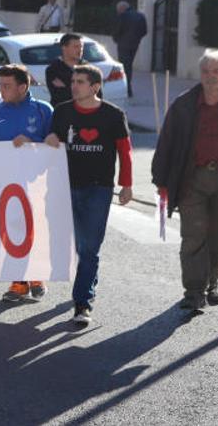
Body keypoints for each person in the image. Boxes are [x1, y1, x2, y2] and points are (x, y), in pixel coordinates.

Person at [152, 49, 218, 311]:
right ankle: (194, 292)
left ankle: (212, 282)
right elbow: (167, 143)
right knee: (194, 235)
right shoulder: (184, 104)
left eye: (216, 71)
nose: (210, 76)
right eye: (206, 71)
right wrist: (160, 178)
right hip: (191, 178)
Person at [45, 65, 133, 325]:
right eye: (73, 81)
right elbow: (53, 138)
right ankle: (88, 280)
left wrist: (126, 185)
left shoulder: (113, 115)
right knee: (74, 245)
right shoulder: (62, 112)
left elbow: (125, 152)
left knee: (90, 248)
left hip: (99, 188)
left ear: (95, 87)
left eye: (80, 81)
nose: (74, 85)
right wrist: (50, 137)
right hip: (66, 186)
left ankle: (82, 302)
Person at [0, 64, 54, 303]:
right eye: (0, 85)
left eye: (7, 86)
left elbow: (55, 145)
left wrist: (32, 141)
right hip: (5, 184)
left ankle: (36, 275)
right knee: (11, 231)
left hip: (37, 183)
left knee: (35, 230)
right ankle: (18, 281)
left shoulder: (43, 110)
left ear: (23, 86)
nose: (2, 90)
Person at [113, 1, 147, 98]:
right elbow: (144, 31)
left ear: (122, 8)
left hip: (123, 45)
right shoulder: (140, 16)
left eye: (118, 10)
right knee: (129, 66)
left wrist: (116, 39)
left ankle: (126, 89)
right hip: (134, 45)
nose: (118, 12)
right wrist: (137, 39)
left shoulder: (123, 16)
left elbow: (118, 29)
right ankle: (127, 89)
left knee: (124, 67)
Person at [46, 33, 86, 107]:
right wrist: (84, 91)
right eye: (76, 47)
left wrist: (66, 87)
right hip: (63, 113)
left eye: (81, 47)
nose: (80, 50)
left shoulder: (88, 68)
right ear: (64, 47)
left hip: (85, 111)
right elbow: (59, 96)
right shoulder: (53, 69)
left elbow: (97, 93)